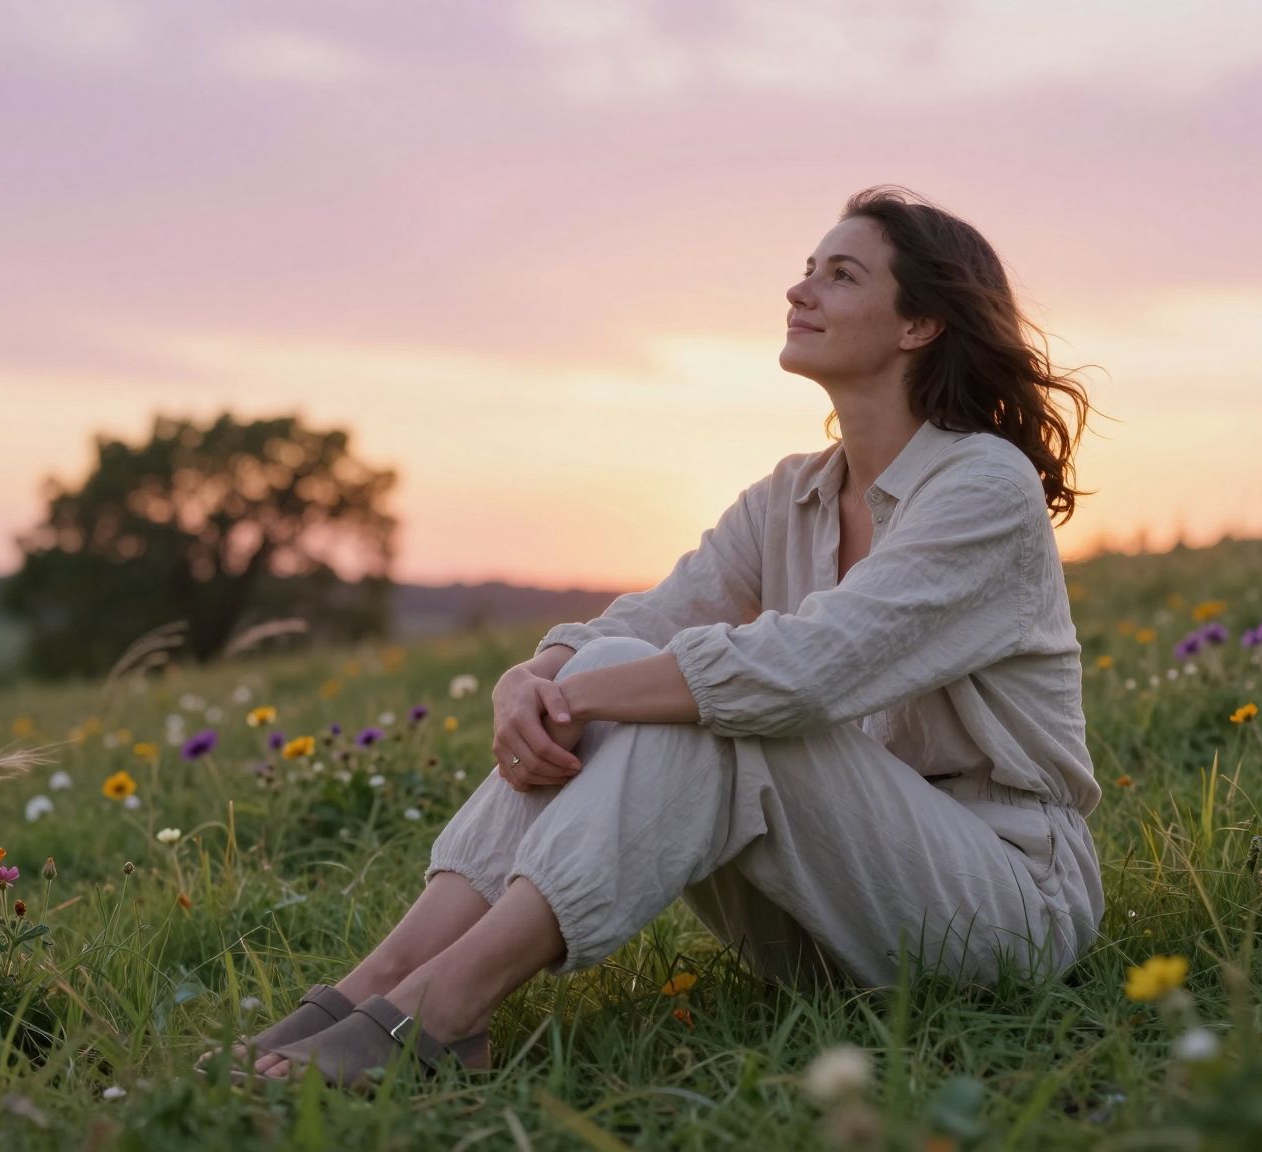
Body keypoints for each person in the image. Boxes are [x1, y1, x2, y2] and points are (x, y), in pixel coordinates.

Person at [200, 184, 1104, 1089]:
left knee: (718, 711)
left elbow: (801, 674)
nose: (800, 292)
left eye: (841, 275)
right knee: (634, 665)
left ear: (920, 327)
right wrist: (537, 671)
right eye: (805, 271)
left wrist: (581, 691)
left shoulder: (984, 486)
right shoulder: (791, 495)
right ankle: (379, 985)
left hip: (1003, 908)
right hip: (828, 917)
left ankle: (439, 1011)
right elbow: (648, 619)